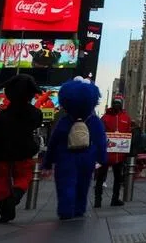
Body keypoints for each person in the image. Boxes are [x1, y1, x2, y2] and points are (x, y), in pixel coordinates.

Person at [42, 78, 106, 221]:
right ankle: (79, 209)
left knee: (65, 184)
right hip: (87, 157)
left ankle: (66, 210)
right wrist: (102, 158)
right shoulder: (94, 121)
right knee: (83, 185)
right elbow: (101, 141)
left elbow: (53, 142)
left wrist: (47, 162)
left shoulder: (65, 121)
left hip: (65, 157)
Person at [0, 74, 43, 224]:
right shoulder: (35, 113)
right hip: (24, 151)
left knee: (2, 181)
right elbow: (36, 124)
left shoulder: (1, 116)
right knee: (23, 178)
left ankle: (4, 207)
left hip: (3, 153)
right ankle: (15, 197)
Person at [95, 95, 131, 208]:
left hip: (119, 155)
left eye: (118, 103)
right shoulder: (105, 118)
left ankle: (115, 199)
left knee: (118, 178)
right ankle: (97, 200)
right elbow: (99, 133)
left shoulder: (126, 118)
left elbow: (129, 133)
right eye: (115, 103)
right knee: (100, 177)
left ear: (121, 104)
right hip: (106, 153)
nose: (116, 105)